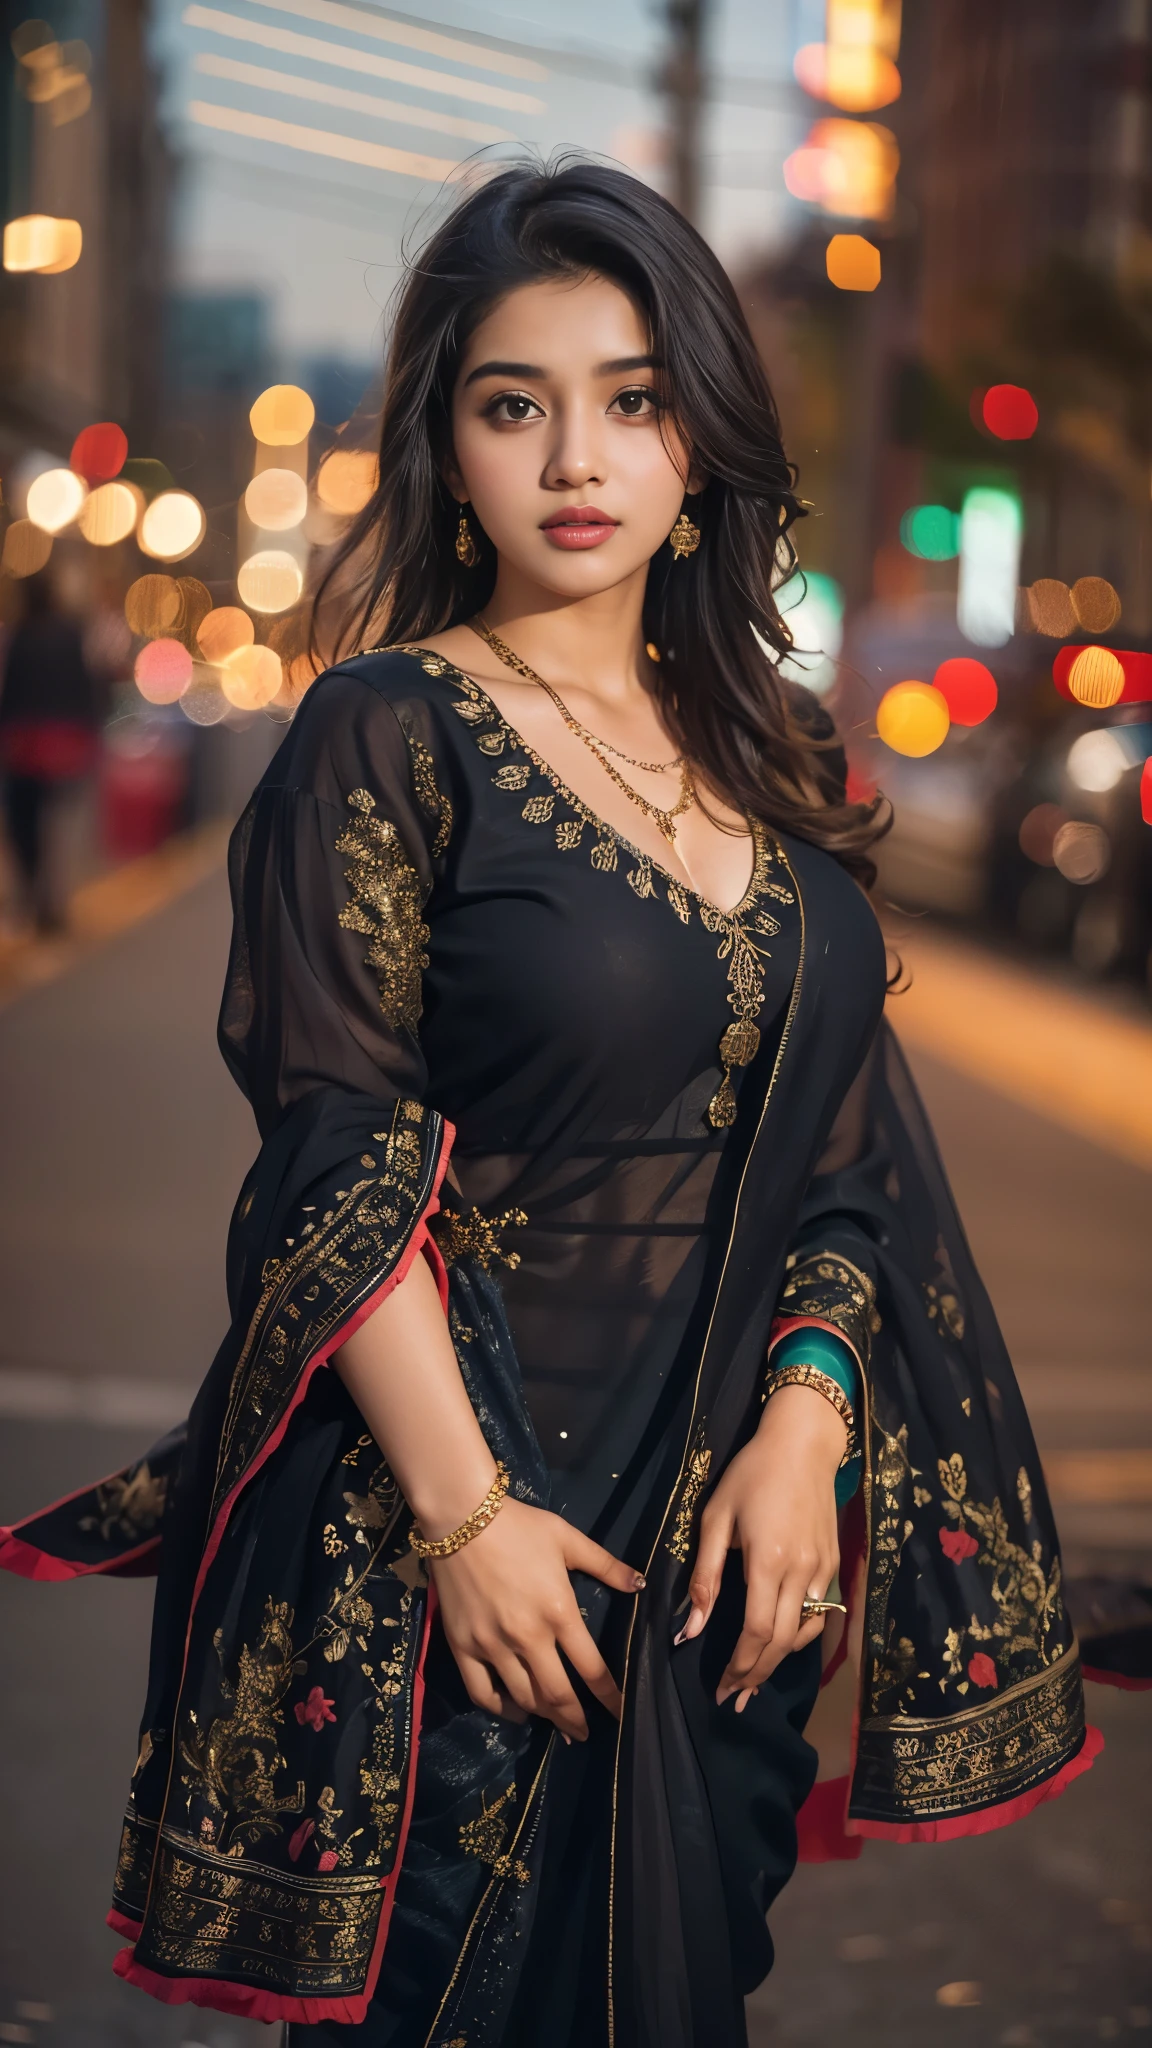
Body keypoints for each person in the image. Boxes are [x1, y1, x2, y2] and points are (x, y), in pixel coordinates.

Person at [0, 161, 1098, 2047]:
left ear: (699, 447)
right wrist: (462, 1516)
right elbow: (336, 1148)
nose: (574, 455)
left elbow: (839, 1175)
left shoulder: (770, 760)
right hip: (474, 1554)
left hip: (720, 1577)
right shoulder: (392, 734)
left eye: (631, 396)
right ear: (448, 445)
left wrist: (804, 1437)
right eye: (514, 404)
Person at [0, 568, 101, 933]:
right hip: (66, 744)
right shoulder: (70, 633)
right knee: (59, 826)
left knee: (24, 824)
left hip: (25, 744)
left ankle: (31, 895)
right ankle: (53, 903)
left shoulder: (22, 634)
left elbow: (10, 693)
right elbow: (84, 687)